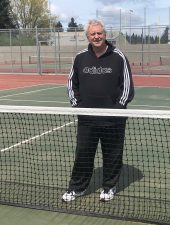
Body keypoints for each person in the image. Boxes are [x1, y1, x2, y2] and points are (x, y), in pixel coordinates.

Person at [62, 19, 134, 202]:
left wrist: (117, 110)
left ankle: (109, 187)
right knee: (83, 155)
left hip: (114, 120)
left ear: (105, 35)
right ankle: (76, 188)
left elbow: (127, 87)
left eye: (99, 33)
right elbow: (71, 83)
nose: (97, 36)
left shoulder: (119, 57)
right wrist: (77, 105)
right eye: (93, 34)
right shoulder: (80, 58)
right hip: (87, 120)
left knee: (112, 156)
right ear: (88, 36)